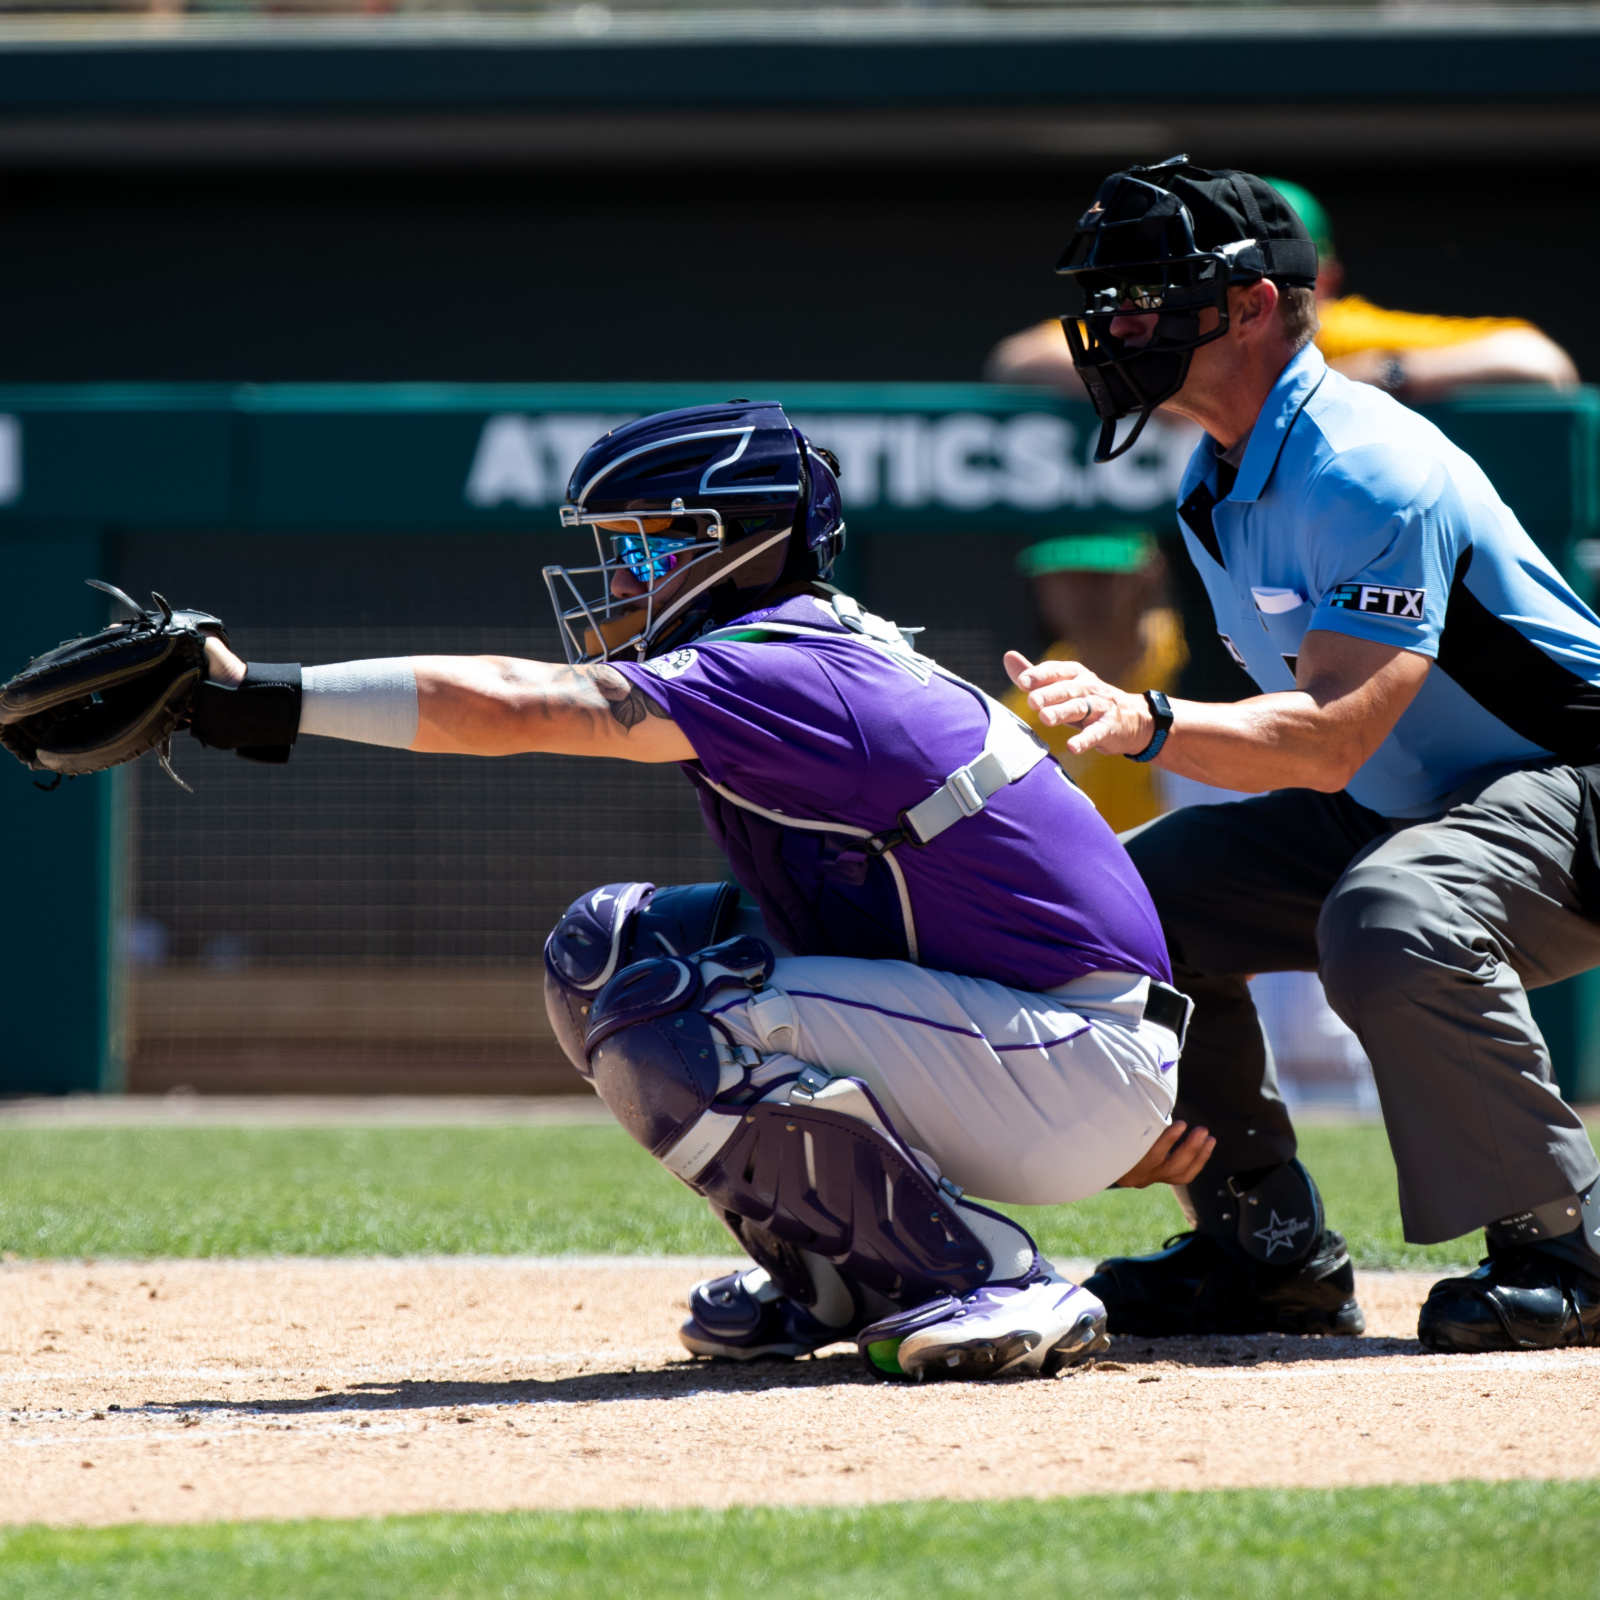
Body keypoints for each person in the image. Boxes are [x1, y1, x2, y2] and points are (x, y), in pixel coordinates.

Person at [190, 400, 1211, 1382]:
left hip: (1074, 1055)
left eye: (644, 547)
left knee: (666, 1008)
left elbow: (522, 704)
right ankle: (839, 1274)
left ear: (738, 545)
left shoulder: (791, 664)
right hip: (1015, 1033)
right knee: (607, 951)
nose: (618, 573)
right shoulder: (789, 644)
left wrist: (268, 697)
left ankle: (988, 1276)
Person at [1007, 155, 1600, 1353]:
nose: (1115, 327)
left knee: (1391, 915)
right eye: (1110, 300)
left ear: (1253, 307)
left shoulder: (1370, 464)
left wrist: (1149, 722)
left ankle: (1565, 1248)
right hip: (1422, 800)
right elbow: (1332, 748)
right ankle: (1261, 1253)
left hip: (1574, 790)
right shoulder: (1210, 479)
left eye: (1147, 297)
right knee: (1127, 902)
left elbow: (1328, 740)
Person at [986, 176, 1578, 404]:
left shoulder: (1344, 332)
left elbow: (1540, 362)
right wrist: (1155, 376)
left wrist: (1388, 372)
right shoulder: (1170, 325)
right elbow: (1015, 360)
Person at [1002, 527, 1187, 833]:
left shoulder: (1198, 660)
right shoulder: (1029, 704)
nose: (1079, 592)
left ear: (1149, 573)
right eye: (1062, 575)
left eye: (1098, 575)